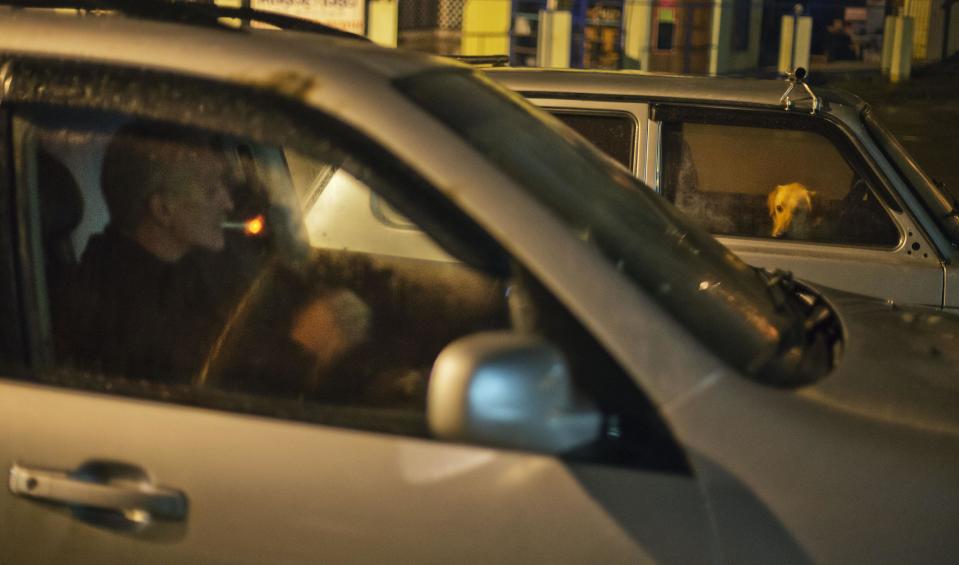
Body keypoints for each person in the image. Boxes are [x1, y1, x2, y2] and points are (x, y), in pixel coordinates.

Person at [61, 121, 369, 391]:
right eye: (210, 190)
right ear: (163, 209)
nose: (226, 202)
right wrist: (302, 346)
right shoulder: (118, 307)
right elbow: (211, 387)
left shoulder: (194, 257)